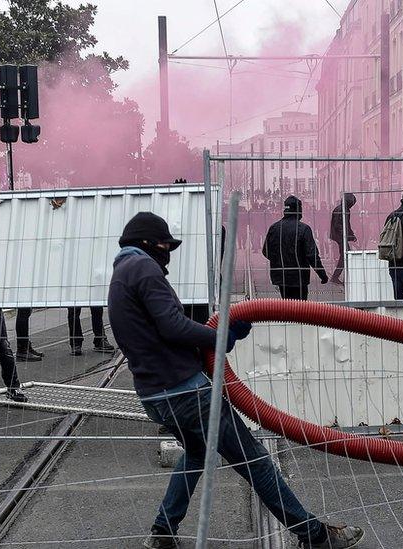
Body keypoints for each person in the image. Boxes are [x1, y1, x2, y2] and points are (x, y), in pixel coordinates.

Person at [108, 211, 364, 549]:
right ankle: (314, 535)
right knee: (256, 460)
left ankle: (162, 531)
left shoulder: (121, 274)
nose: (167, 254)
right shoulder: (144, 268)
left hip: (157, 397)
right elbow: (172, 326)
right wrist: (221, 335)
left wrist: (216, 334)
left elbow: (158, 338)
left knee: (197, 454)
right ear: (148, 243)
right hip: (188, 394)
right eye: (165, 246)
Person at [262, 196, 328, 300]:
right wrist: (322, 274)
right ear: (298, 210)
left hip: (281, 276)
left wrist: (279, 261)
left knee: (287, 306)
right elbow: (312, 255)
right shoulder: (304, 229)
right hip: (299, 277)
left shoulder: (274, 228)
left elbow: (266, 251)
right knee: (300, 308)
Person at [328, 193, 357, 285]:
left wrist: (351, 235)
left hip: (340, 236)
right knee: (345, 256)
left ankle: (337, 277)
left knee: (345, 256)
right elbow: (339, 225)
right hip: (339, 236)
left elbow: (346, 224)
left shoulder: (344, 209)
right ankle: (336, 277)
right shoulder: (341, 210)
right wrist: (346, 236)